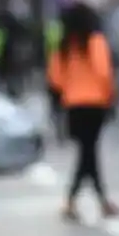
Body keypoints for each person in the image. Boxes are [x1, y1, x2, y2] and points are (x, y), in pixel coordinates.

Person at [48, 2, 119, 221]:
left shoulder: (63, 47)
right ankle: (81, 200)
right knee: (88, 154)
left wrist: (70, 89)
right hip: (95, 103)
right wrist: (110, 96)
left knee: (87, 153)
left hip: (73, 105)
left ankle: (96, 201)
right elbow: (104, 73)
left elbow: (55, 78)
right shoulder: (95, 42)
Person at [45, 15, 66, 143]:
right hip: (61, 78)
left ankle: (59, 129)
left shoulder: (52, 29)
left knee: (56, 107)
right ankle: (61, 130)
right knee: (60, 107)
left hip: (55, 78)